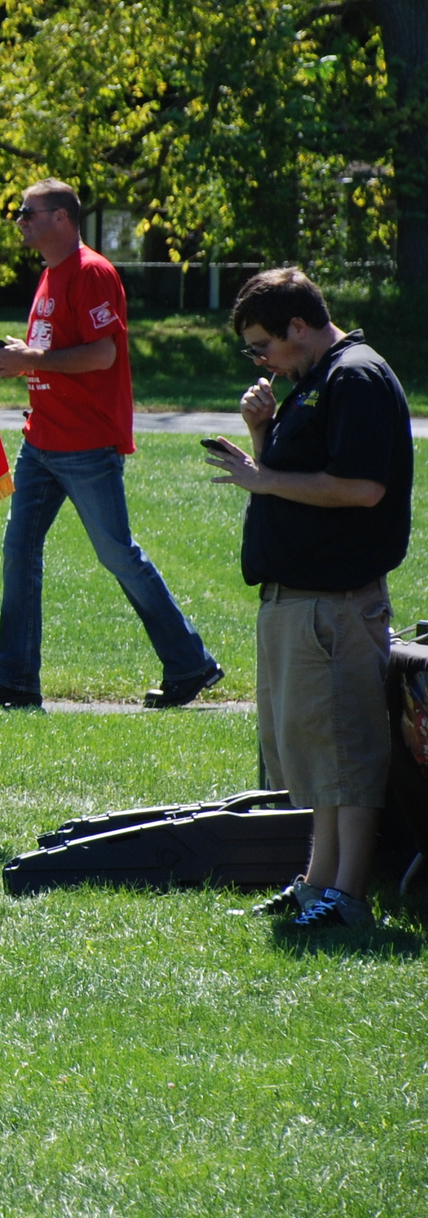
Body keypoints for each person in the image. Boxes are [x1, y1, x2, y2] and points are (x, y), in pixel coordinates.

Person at [206, 269, 410, 933]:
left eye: (264, 345)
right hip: (298, 600)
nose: (262, 360)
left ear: (299, 327)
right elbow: (291, 479)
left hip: (336, 603)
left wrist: (260, 475)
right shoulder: (316, 381)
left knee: (345, 753)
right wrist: (263, 435)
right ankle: (316, 883)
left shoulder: (355, 377)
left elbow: (362, 488)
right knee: (315, 757)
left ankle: (347, 897)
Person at [0, 178, 222, 710]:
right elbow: (58, 349)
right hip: (42, 440)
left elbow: (102, 354)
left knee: (118, 555)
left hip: (85, 444)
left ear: (61, 218)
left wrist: (31, 361)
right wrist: (25, 355)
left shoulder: (90, 272)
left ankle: (190, 663)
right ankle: (16, 680)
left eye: (27, 212)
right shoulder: (49, 275)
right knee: (19, 551)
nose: (19, 220)